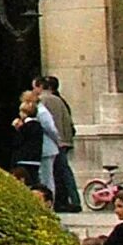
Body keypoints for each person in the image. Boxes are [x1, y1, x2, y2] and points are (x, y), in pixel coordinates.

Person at [37, 77, 79, 214]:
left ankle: (64, 201)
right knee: (62, 172)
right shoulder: (59, 100)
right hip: (63, 141)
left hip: (56, 143)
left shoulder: (44, 101)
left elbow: (49, 126)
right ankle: (70, 200)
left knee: (57, 173)